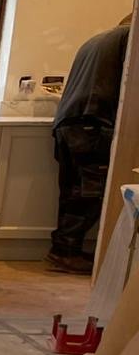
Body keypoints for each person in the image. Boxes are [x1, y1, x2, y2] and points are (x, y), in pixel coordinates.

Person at [48, 17, 130, 273]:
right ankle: (65, 252)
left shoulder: (98, 39)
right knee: (90, 192)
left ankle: (64, 250)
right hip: (92, 123)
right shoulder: (129, 39)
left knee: (73, 190)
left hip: (70, 122)